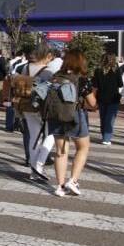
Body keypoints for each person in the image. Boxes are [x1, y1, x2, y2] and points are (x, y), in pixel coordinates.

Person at [48, 50, 97, 197]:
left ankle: (60, 186)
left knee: (60, 150)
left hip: (56, 117)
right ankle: (73, 180)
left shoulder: (55, 77)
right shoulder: (81, 79)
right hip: (75, 116)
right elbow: (92, 103)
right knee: (83, 147)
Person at [17, 45, 55, 180]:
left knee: (33, 137)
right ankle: (39, 163)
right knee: (50, 135)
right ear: (46, 56)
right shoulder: (48, 72)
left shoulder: (25, 68)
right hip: (41, 107)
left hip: (26, 105)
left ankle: (33, 170)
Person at [93, 53, 123, 145]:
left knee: (103, 117)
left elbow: (95, 84)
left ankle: (104, 136)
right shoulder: (116, 70)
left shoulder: (98, 70)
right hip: (113, 97)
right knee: (110, 118)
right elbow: (120, 84)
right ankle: (106, 138)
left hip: (101, 96)